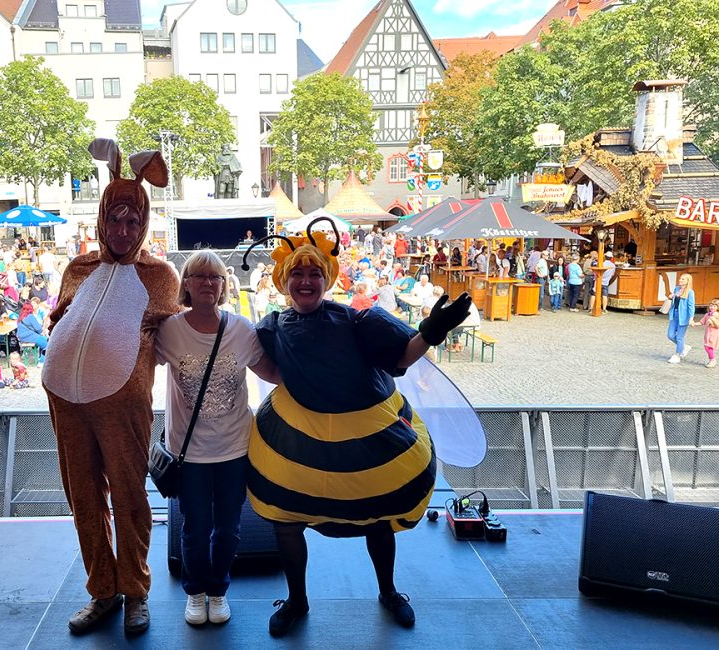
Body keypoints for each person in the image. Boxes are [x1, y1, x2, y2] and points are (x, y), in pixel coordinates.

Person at [243, 224, 471, 636]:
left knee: (379, 519)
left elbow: (401, 355)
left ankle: (388, 591)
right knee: (287, 522)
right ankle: (296, 600)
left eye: (314, 273)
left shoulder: (356, 320)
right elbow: (269, 370)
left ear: (326, 279)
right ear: (284, 282)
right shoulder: (273, 326)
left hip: (370, 442)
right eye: (297, 273)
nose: (306, 281)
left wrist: (432, 331)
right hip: (300, 447)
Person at [42, 139, 179, 636]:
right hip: (66, 401)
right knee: (83, 497)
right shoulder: (77, 268)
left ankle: (135, 592)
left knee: (128, 497)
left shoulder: (160, 275)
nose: (123, 230)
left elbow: (186, 334)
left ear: (144, 224)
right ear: (101, 219)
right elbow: (59, 319)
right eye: (115, 219)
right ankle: (101, 589)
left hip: (123, 405)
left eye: (133, 221)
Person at [155, 250, 279, 627]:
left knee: (229, 527)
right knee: (195, 526)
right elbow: (138, 364)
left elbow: (272, 373)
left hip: (234, 448)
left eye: (215, 277)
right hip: (188, 453)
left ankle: (218, 590)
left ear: (224, 285)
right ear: (186, 284)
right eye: (199, 276)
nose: (207, 283)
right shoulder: (170, 330)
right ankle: (196, 592)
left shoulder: (241, 329)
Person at [666, 273, 696, 364]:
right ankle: (683, 347)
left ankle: (678, 354)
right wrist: (672, 296)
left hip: (683, 316)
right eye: (680, 278)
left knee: (680, 337)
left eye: (683, 279)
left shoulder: (690, 292)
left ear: (687, 281)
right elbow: (674, 299)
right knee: (670, 335)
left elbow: (691, 306)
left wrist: (691, 318)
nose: (680, 280)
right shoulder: (677, 288)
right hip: (674, 314)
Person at [692, 299, 719, 368]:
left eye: (715, 306)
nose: (712, 307)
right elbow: (702, 322)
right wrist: (694, 324)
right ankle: (712, 360)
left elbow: (717, 326)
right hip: (707, 334)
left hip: (714, 334)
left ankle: (712, 360)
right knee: (707, 347)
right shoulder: (707, 314)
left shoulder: (717, 315)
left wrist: (712, 320)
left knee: (709, 347)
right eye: (711, 305)